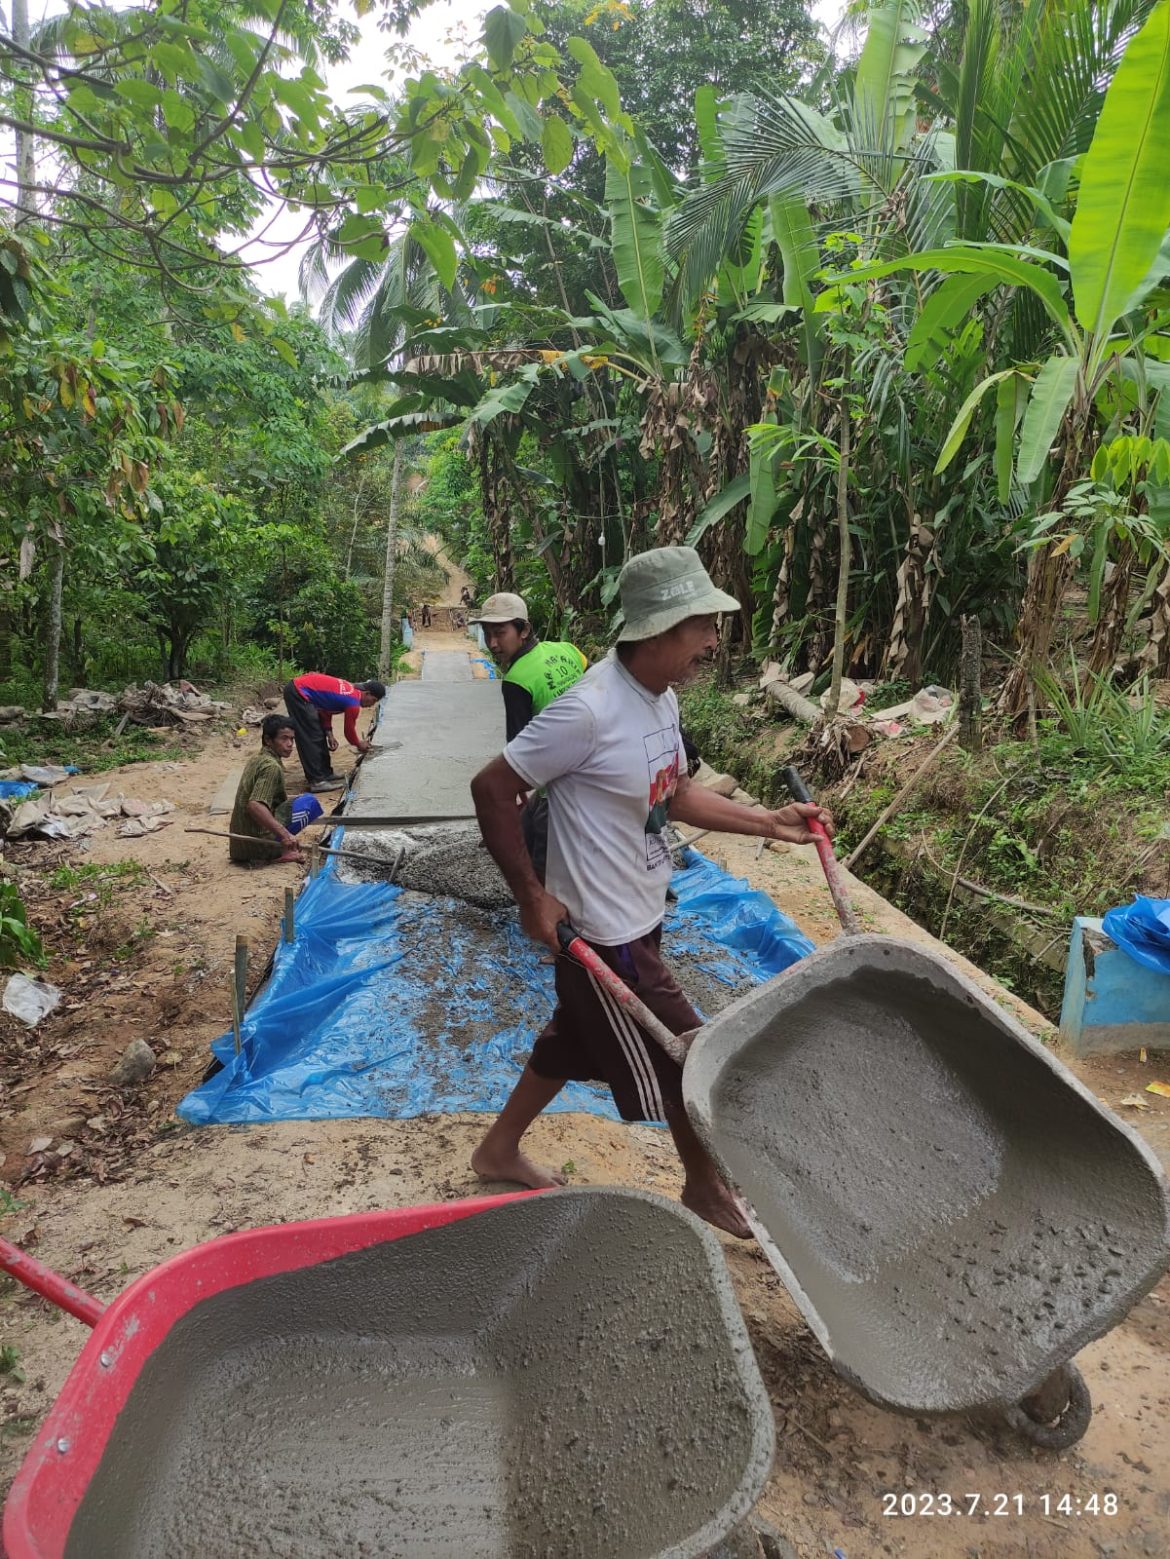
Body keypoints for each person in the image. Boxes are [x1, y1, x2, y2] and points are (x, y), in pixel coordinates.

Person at [468, 545, 832, 1239]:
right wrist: (530, 895)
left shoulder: (658, 701)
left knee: (572, 1037)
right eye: (703, 625)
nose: (713, 641)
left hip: (641, 914)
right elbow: (493, 787)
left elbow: (677, 790)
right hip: (601, 931)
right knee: (686, 1055)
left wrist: (768, 821)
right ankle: (703, 1184)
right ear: (660, 628)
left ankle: (498, 1149)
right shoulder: (590, 710)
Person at [474, 591, 588, 881]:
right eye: (487, 634)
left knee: (546, 865)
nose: (493, 644)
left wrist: (503, 803)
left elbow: (519, 754)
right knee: (528, 822)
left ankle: (550, 913)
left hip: (565, 786)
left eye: (500, 633)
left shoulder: (517, 680)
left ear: (523, 629)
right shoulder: (568, 650)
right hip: (595, 764)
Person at [229, 715, 324, 864]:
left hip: (238, 847)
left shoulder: (257, 759)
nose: (290, 744)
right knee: (309, 803)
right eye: (284, 739)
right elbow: (254, 805)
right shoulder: (271, 767)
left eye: (292, 739)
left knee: (296, 799)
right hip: (256, 848)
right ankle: (280, 851)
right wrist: (286, 835)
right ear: (268, 740)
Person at [282, 672, 386, 793]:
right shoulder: (353, 703)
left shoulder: (350, 691)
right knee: (310, 736)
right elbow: (348, 731)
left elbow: (325, 709)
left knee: (318, 733)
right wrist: (359, 744)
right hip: (298, 692)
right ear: (367, 693)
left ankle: (325, 773)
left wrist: (329, 734)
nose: (371, 705)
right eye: (373, 700)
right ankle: (317, 781)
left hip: (302, 689)